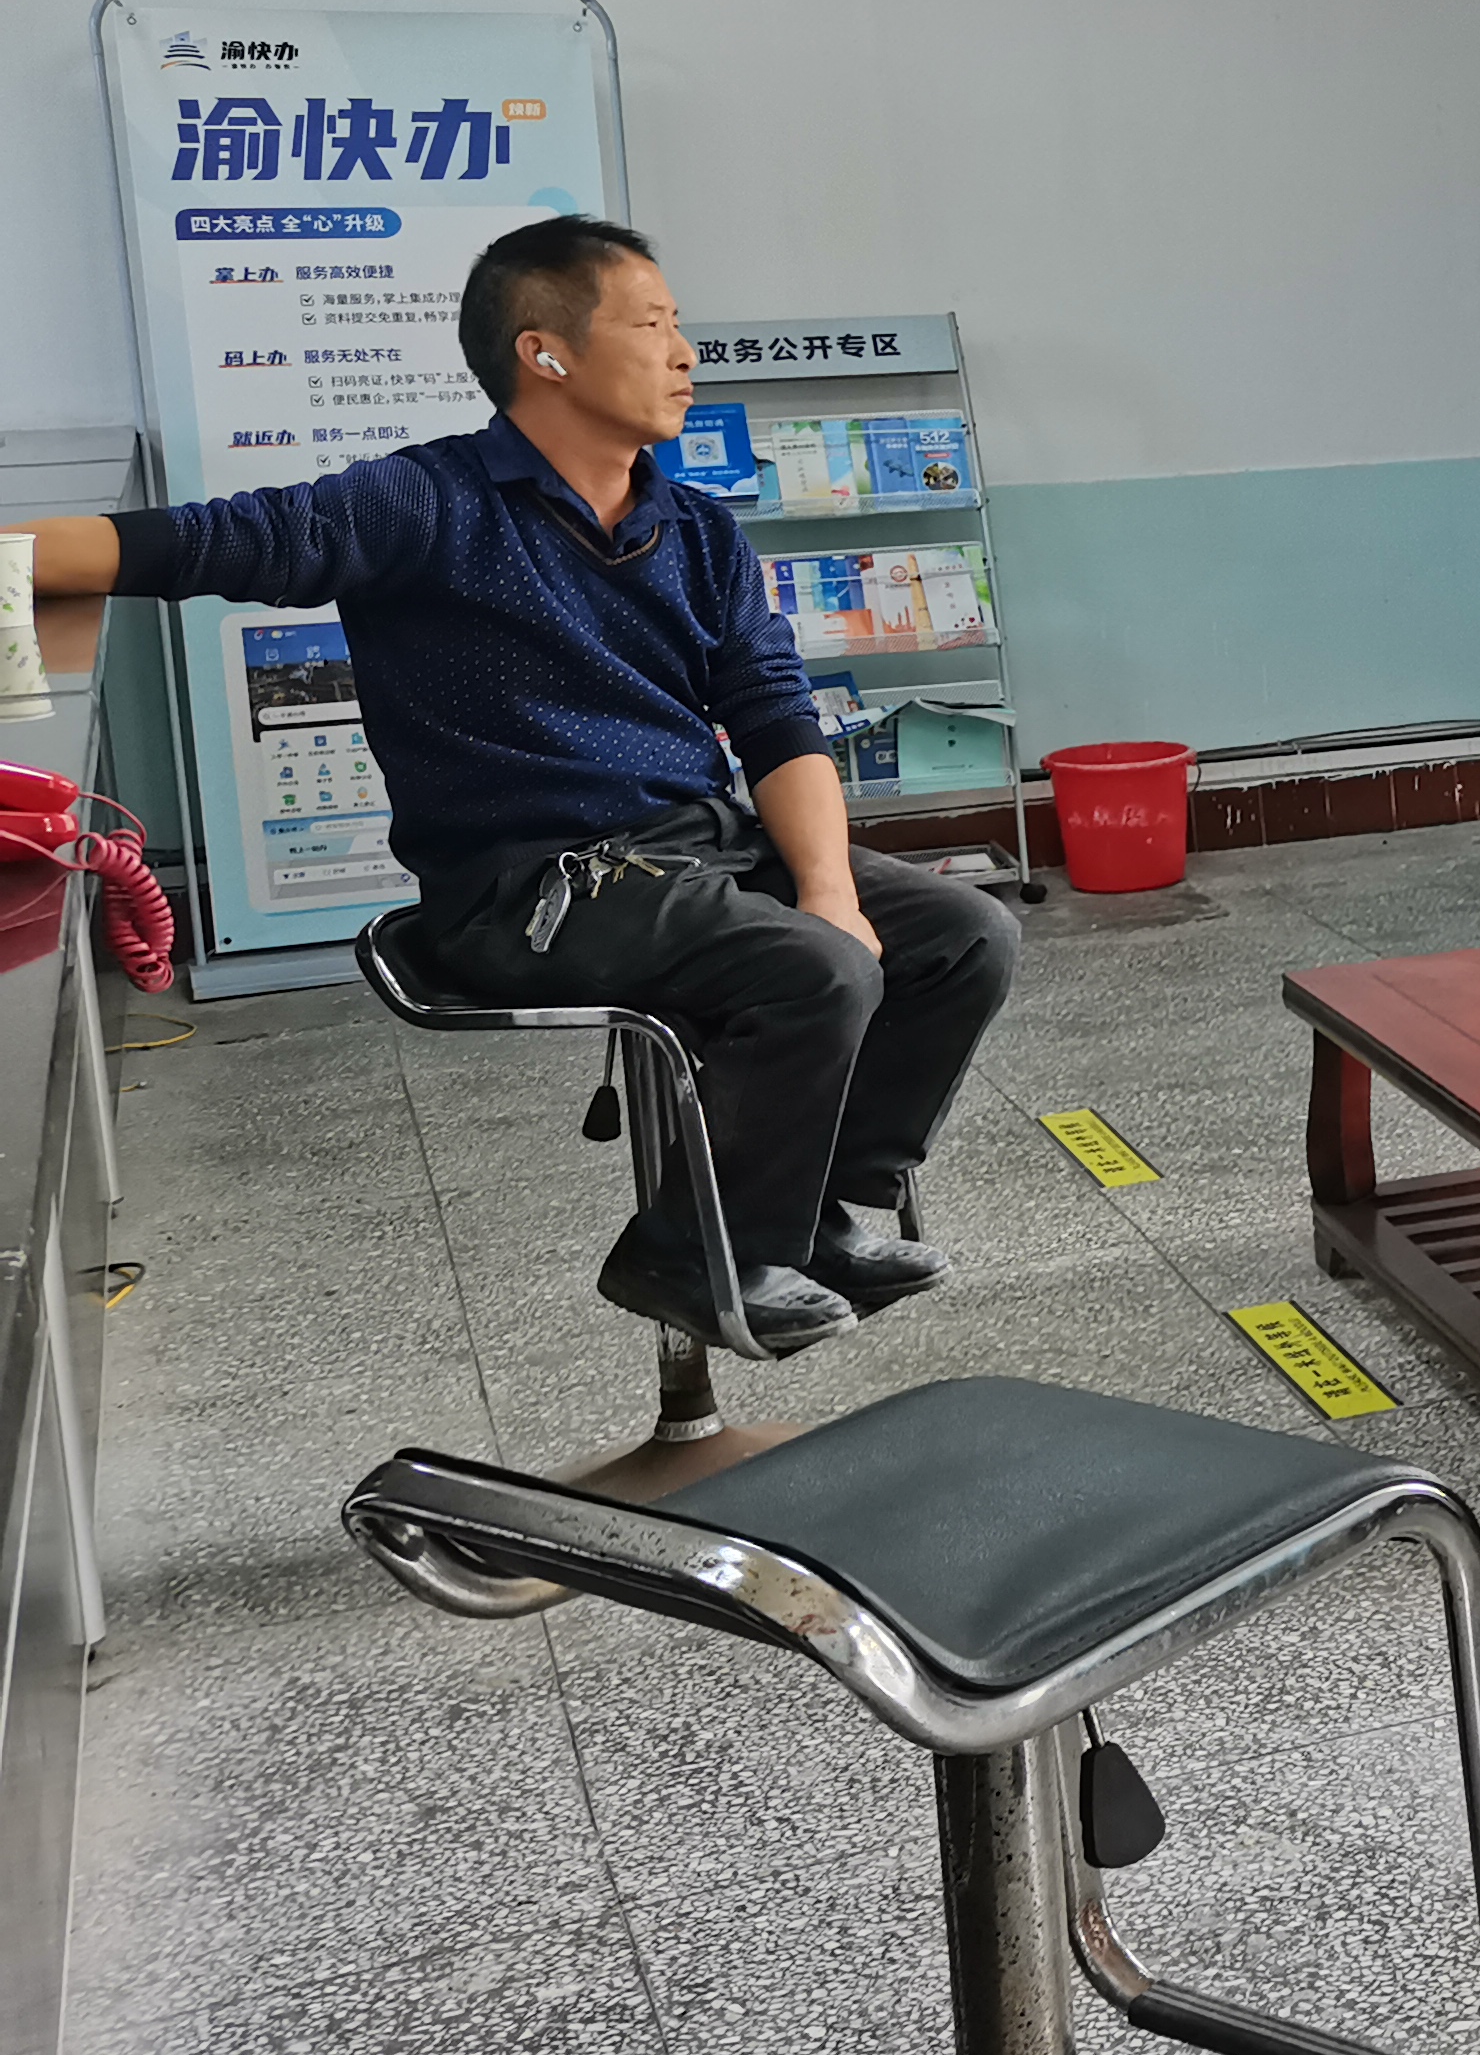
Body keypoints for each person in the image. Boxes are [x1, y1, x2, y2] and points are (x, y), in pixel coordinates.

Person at [7, 217, 1021, 1354]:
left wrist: (829, 885)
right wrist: (10, 557)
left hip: (698, 848)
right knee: (815, 967)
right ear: (546, 353)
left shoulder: (696, 530)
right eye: (651, 324)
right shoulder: (425, 503)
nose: (685, 352)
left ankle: (807, 1210)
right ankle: (691, 1250)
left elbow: (777, 718)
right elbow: (197, 544)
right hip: (528, 888)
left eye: (679, 325)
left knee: (964, 934)